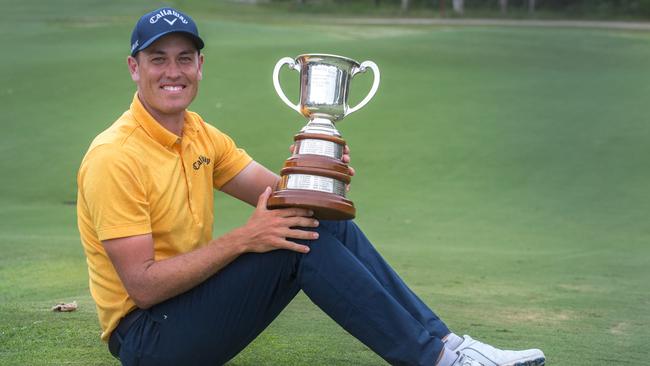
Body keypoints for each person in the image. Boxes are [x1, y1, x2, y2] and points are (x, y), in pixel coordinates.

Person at [77, 7, 546, 366]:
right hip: (148, 338)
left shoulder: (199, 133)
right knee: (295, 244)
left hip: (191, 308)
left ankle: (446, 346)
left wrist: (323, 176)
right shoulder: (114, 156)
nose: (172, 72)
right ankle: (436, 360)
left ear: (200, 66)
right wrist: (246, 238)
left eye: (184, 59)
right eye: (157, 60)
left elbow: (283, 192)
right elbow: (143, 287)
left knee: (315, 219)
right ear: (134, 68)